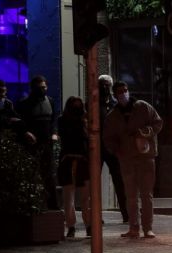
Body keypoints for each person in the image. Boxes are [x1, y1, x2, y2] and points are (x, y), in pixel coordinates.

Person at [103, 81, 163, 239]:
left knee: (146, 194)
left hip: (146, 156)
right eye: (120, 92)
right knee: (130, 195)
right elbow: (108, 138)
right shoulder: (113, 116)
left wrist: (146, 132)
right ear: (115, 95)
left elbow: (158, 123)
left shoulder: (142, 107)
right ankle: (133, 227)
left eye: (125, 90)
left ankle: (148, 228)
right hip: (127, 159)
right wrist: (117, 151)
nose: (123, 94)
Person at [16, 75, 60, 210]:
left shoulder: (50, 101)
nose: (42, 90)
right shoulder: (24, 103)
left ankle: (52, 206)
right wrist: (26, 132)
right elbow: (19, 122)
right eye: (39, 88)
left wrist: (54, 133)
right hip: (32, 143)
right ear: (33, 88)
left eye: (44, 87)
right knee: (32, 174)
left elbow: (53, 120)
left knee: (49, 174)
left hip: (47, 142)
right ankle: (33, 205)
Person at [57, 97, 90, 238]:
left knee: (85, 197)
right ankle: (71, 226)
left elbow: (87, 139)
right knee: (68, 197)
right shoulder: (63, 120)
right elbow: (67, 136)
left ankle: (88, 225)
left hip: (82, 160)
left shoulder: (85, 120)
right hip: (68, 159)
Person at [98, 75, 128, 223]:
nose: (104, 88)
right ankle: (97, 215)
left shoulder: (116, 104)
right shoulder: (93, 104)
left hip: (113, 148)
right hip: (98, 147)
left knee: (120, 181)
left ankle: (126, 214)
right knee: (94, 183)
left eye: (107, 85)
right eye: (102, 85)